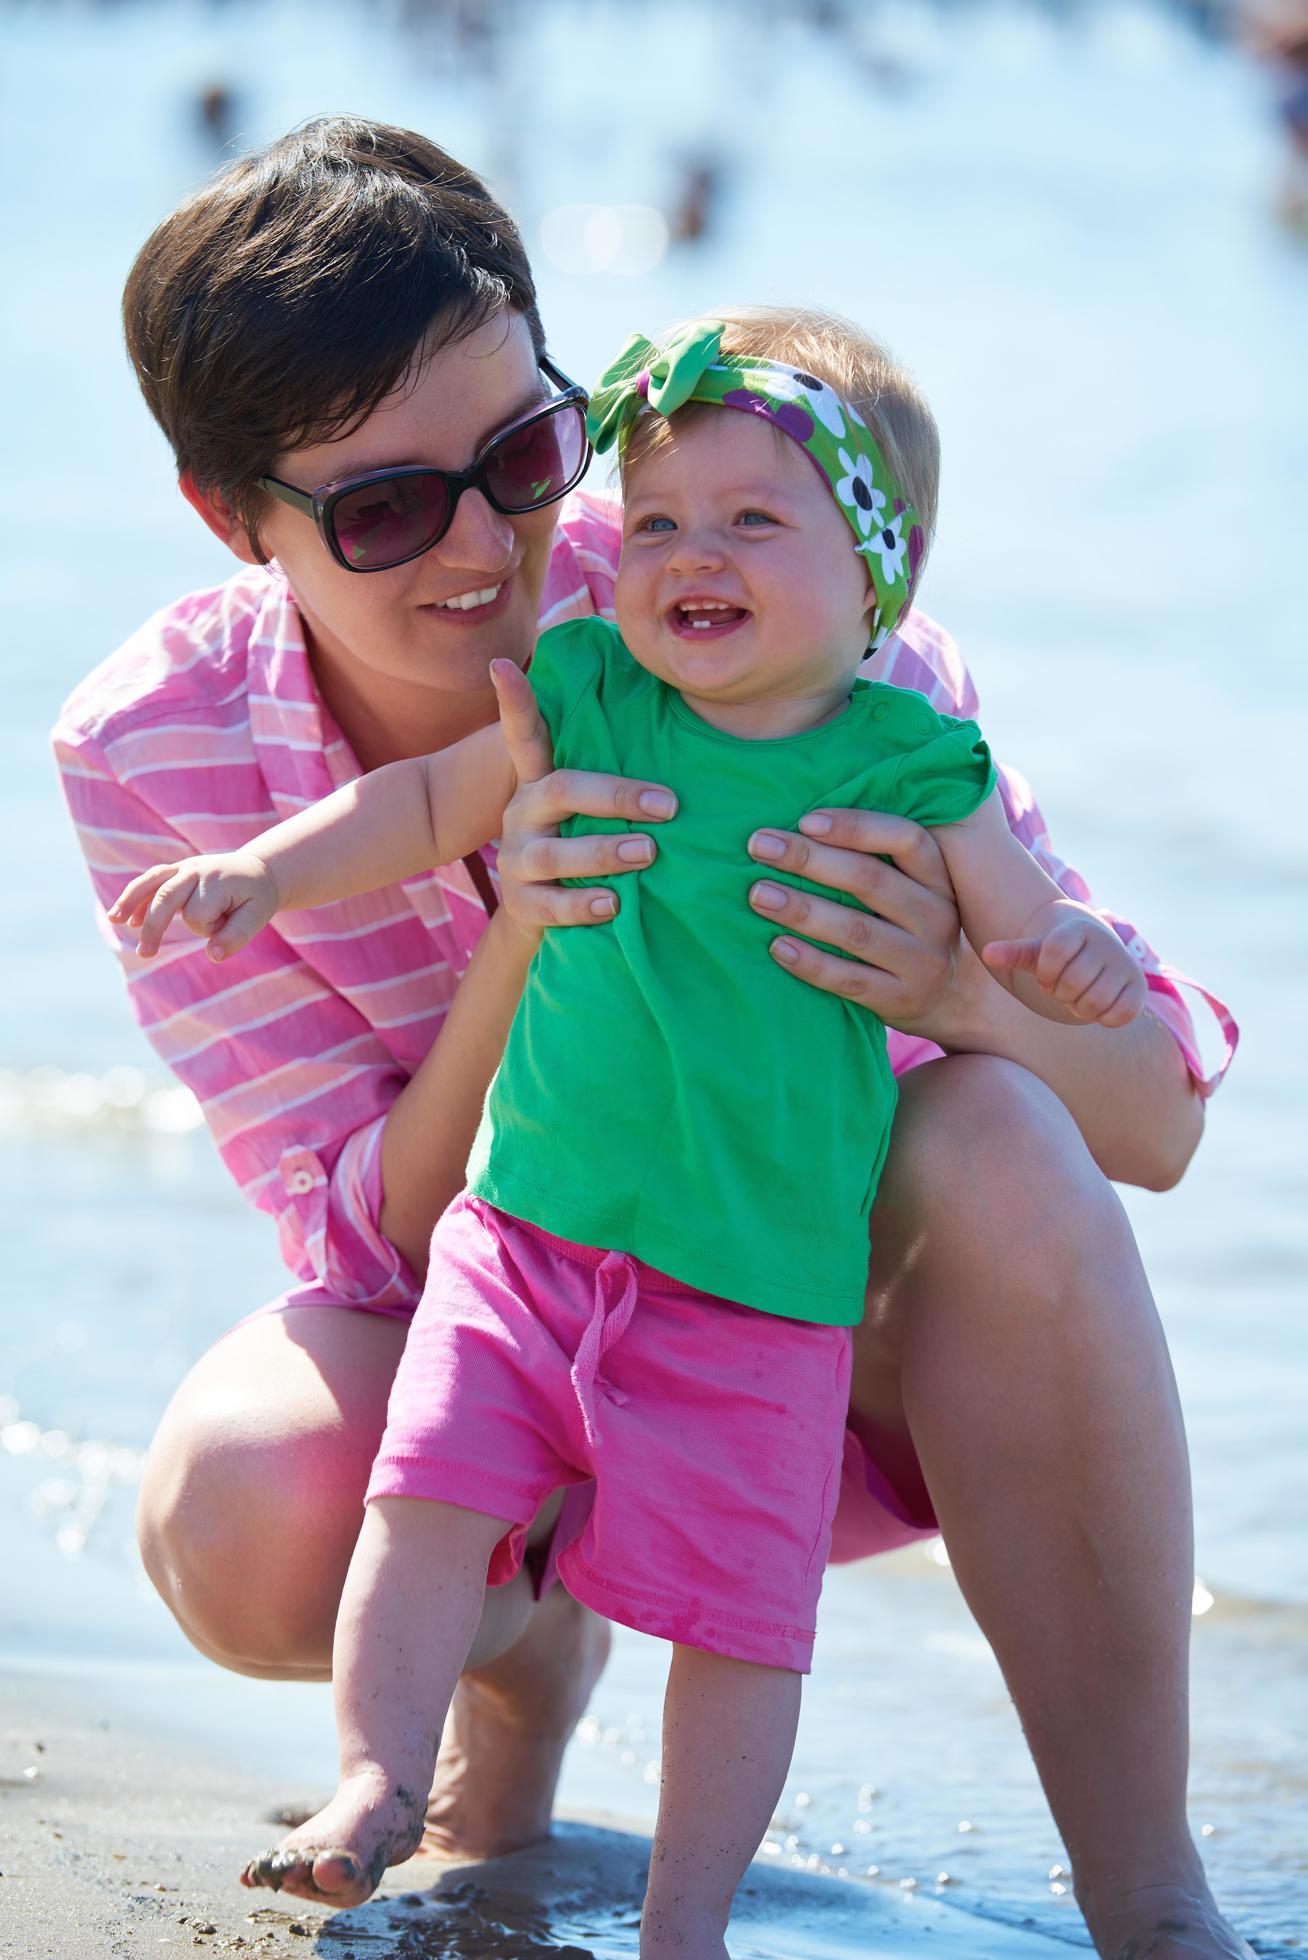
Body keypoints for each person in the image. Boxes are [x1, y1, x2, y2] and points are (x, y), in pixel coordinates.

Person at [53, 118, 1246, 1960]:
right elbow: (366, 1238)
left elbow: (1152, 1125)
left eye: (526, 454)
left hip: (806, 1327)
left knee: (1000, 1134)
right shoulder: (158, 752)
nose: (488, 545)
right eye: (383, 509)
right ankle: (516, 1681)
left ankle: (1152, 1896)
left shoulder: (761, 597)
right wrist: (522, 933)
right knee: (250, 1502)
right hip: (511, 1305)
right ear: (237, 519)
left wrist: (951, 987)